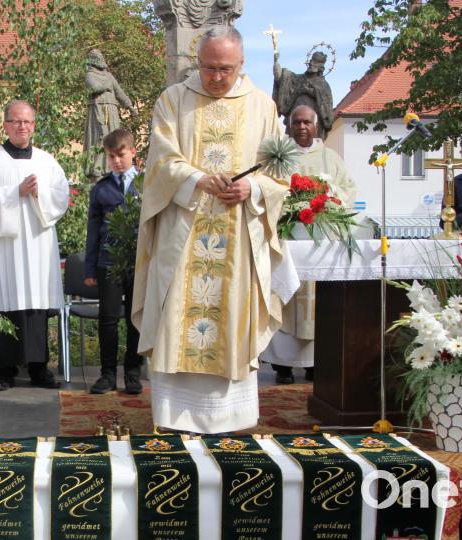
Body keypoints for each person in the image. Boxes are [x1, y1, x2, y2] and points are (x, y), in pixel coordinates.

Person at [132, 27, 297, 434]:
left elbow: (280, 174)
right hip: (183, 237)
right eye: (209, 67)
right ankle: (173, 416)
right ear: (198, 62)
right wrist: (198, 180)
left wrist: (252, 187)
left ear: (241, 64)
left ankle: (231, 417)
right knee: (176, 317)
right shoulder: (173, 101)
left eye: (225, 68)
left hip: (237, 239)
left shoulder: (261, 107)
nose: (217, 77)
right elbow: (160, 164)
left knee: (232, 315)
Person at [0, 100, 69, 391]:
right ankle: (5, 370)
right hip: (6, 244)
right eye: (16, 121)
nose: (22, 127)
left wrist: (40, 194)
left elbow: (61, 195)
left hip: (38, 242)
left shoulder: (45, 160)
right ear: (5, 125)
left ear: (34, 125)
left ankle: (40, 369)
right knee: (6, 299)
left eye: (27, 122)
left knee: (36, 302)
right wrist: (16, 192)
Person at [263, 104, 358, 383]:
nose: (302, 127)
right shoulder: (278, 157)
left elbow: (349, 192)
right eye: (296, 122)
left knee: (318, 305)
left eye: (307, 122)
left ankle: (315, 363)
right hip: (286, 243)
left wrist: (325, 191)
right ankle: (281, 365)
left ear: (316, 126)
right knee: (284, 296)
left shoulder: (330, 158)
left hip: (321, 245)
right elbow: (267, 189)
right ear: (289, 126)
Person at [84, 128, 143, 395]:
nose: (116, 161)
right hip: (108, 263)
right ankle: (107, 374)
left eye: (121, 155)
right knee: (107, 318)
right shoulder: (102, 188)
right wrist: (89, 267)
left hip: (139, 262)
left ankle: (132, 372)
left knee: (135, 317)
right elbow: (93, 230)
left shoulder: (147, 184)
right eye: (111, 156)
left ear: (133, 152)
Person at [84, 49, 137, 178]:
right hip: (98, 108)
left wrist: (130, 106)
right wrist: (106, 86)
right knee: (100, 137)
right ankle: (95, 167)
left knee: (115, 140)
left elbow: (119, 92)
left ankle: (110, 167)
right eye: (98, 57)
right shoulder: (89, 75)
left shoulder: (108, 76)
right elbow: (94, 88)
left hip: (112, 110)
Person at [273, 51, 335, 140]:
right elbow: (283, 79)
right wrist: (276, 64)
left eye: (315, 61)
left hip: (312, 126)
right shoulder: (298, 79)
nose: (311, 63)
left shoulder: (323, 85)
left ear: (321, 67)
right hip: (295, 123)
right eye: (311, 60)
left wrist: (312, 92)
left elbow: (326, 110)